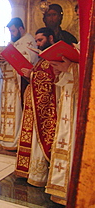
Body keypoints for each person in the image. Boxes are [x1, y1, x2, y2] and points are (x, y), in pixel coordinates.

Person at [15, 27, 57, 187]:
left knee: (38, 140)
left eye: (40, 40)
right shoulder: (42, 59)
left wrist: (31, 75)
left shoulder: (53, 58)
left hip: (43, 109)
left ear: (50, 38)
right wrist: (31, 73)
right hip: (33, 106)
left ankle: (38, 174)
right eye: (37, 40)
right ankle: (27, 171)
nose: (38, 44)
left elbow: (48, 81)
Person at [0, 18, 38, 150]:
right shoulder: (14, 42)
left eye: (13, 31)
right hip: (8, 83)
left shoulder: (29, 41)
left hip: (19, 84)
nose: (11, 34)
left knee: (17, 112)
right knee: (5, 112)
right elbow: (3, 63)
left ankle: (16, 139)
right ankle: (2, 137)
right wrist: (0, 59)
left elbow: (29, 61)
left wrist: (11, 57)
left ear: (20, 29)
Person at [45, 50, 79, 205]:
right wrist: (59, 70)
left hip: (79, 104)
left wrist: (71, 68)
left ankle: (74, 189)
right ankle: (61, 187)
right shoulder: (80, 47)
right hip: (67, 99)